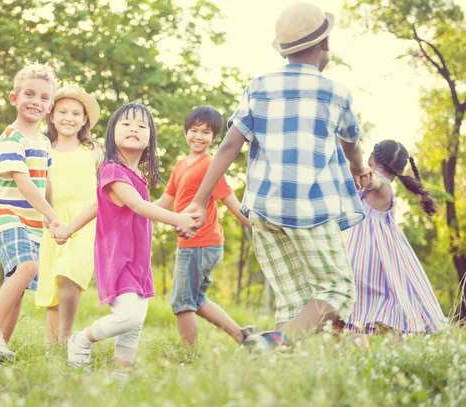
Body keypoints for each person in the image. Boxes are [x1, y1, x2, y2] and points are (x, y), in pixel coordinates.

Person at [180, 2, 371, 350]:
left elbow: (227, 147)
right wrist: (360, 169)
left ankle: (279, 368)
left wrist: (198, 200)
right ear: (325, 44)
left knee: (291, 297)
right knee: (337, 289)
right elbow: (352, 143)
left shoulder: (259, 86)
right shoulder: (336, 93)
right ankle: (273, 343)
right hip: (310, 210)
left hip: (265, 210)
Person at [50, 102, 199, 381]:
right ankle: (80, 341)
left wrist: (69, 228)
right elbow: (138, 206)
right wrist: (177, 219)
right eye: (127, 123)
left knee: (136, 320)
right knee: (127, 316)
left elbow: (99, 205)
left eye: (142, 126)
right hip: (117, 257)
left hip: (139, 259)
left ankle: (121, 377)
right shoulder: (111, 169)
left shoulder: (137, 175)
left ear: (150, 139)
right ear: (111, 134)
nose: (134, 128)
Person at [0, 63, 60, 360]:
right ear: (14, 98)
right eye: (29, 94)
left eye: (44, 97)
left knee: (18, 284)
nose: (36, 101)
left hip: (32, 223)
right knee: (27, 268)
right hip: (5, 215)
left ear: (50, 105)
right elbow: (24, 185)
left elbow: (44, 183)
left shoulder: (45, 142)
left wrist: (50, 217)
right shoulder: (11, 139)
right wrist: (52, 215)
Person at [154, 106, 256, 346]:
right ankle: (243, 337)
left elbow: (231, 203)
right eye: (194, 130)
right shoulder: (181, 166)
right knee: (196, 300)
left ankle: (187, 355)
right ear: (185, 132)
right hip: (191, 245)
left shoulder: (211, 166)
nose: (199, 136)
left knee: (182, 302)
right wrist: (133, 210)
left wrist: (256, 227)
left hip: (201, 244)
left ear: (215, 137)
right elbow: (164, 202)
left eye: (206, 132)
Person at [346, 140, 447, 346]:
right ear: (401, 170)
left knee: (356, 320)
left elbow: (375, 182)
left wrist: (367, 176)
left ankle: (370, 364)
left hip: (361, 257)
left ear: (370, 159)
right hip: (377, 260)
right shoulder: (376, 184)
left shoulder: (380, 185)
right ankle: (390, 364)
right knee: (382, 320)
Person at [35, 85, 103, 346]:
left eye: (76, 113)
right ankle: (53, 345)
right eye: (63, 111)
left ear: (85, 119)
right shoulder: (43, 148)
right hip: (52, 220)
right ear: (51, 116)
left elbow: (104, 187)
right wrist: (45, 213)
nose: (69, 118)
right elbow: (40, 185)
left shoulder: (93, 150)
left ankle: (66, 334)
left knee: (69, 273)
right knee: (54, 282)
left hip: (86, 221)